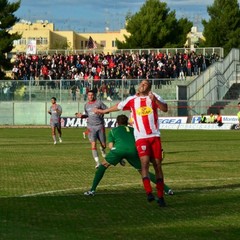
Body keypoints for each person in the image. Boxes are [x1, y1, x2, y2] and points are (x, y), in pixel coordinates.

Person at [94, 79, 168, 207]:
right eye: (141, 83)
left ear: (149, 87)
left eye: (145, 84)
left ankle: (161, 197)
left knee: (157, 165)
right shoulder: (132, 99)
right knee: (144, 164)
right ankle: (149, 193)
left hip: (155, 135)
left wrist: (155, 100)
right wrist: (103, 111)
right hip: (141, 137)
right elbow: (118, 106)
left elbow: (165, 108)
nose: (142, 85)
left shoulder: (154, 97)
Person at [84, 114, 173, 197]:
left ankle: (92, 190)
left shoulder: (113, 131)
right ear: (127, 122)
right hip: (133, 151)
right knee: (144, 172)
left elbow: (111, 146)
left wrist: (119, 158)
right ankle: (167, 189)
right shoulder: (134, 130)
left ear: (117, 123)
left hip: (118, 150)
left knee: (103, 166)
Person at [75, 90, 108, 168]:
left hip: (100, 126)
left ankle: (102, 149)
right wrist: (82, 116)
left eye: (92, 95)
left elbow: (107, 111)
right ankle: (97, 163)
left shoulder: (99, 102)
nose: (90, 96)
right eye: (89, 95)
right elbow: (87, 114)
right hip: (90, 127)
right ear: (87, 96)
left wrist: (100, 111)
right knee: (93, 144)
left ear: (94, 95)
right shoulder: (86, 105)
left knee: (103, 145)